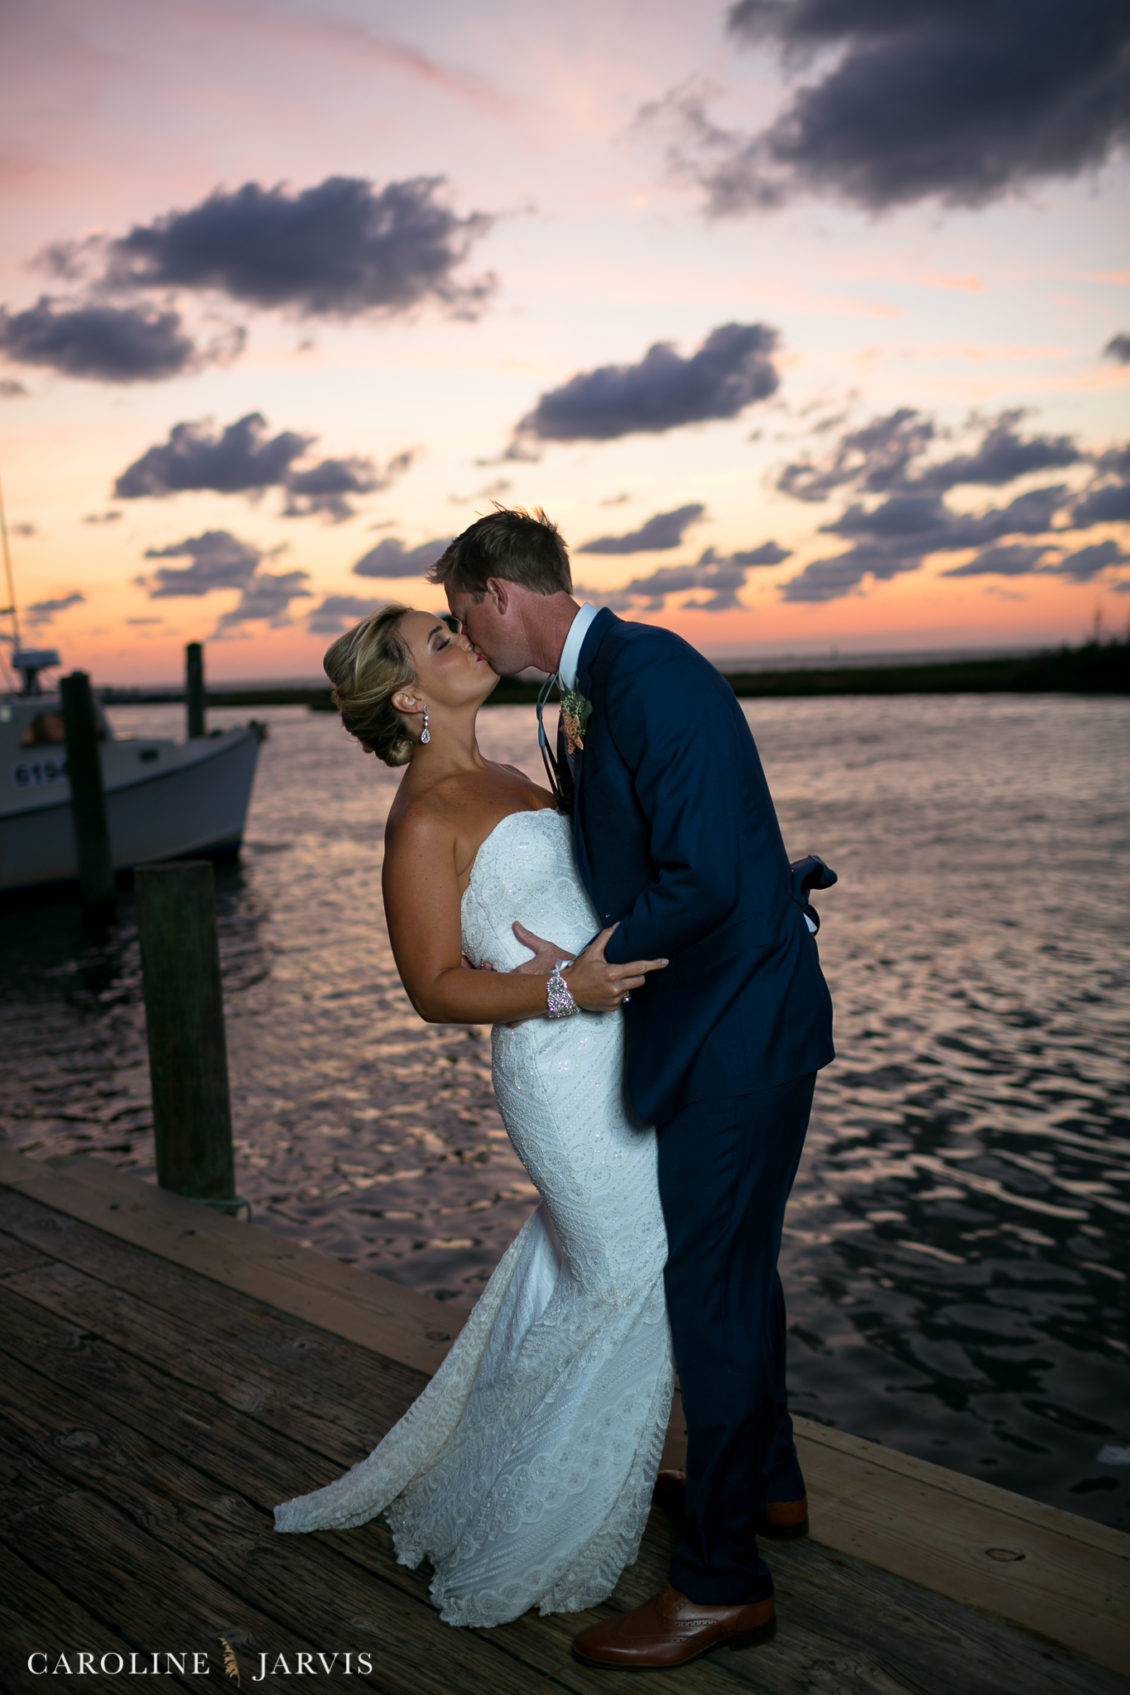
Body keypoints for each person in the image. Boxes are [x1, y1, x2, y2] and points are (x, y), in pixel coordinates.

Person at [435, 507, 834, 1670]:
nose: (466, 636)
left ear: (500, 596)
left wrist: (587, 963)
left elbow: (705, 875)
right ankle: (767, 1484)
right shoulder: (602, 678)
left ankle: (720, 1584)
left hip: (733, 1033)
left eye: (464, 614)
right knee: (733, 1271)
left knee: (704, 1292)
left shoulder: (649, 677)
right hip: (733, 1023)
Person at [273, 603, 674, 1628]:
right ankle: (523, 1517)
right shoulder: (423, 817)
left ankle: (509, 1474)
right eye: (436, 642)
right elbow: (432, 987)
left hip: (619, 1051)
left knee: (596, 1268)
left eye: (456, 628)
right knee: (628, 1270)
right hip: (557, 1067)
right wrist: (559, 994)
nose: (461, 642)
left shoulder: (514, 777)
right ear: (408, 697)